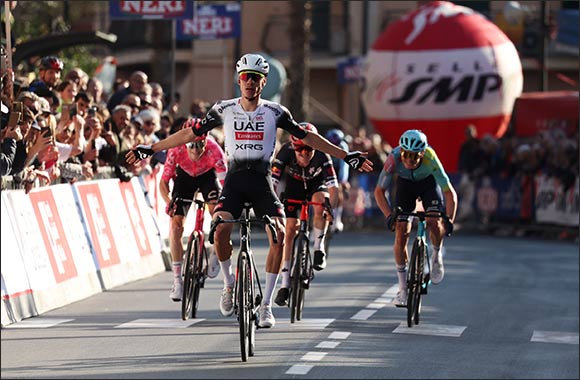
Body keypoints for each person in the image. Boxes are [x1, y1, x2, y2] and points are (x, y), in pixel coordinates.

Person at [126, 53, 372, 329]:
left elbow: (306, 136)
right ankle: (229, 285)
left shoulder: (276, 112)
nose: (250, 83)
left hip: (262, 181)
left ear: (263, 82)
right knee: (219, 229)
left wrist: (345, 154)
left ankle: (266, 305)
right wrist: (152, 148)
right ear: (239, 81)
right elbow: (191, 134)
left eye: (255, 78)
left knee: (278, 235)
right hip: (234, 181)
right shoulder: (224, 108)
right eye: (245, 78)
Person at [373, 129, 456, 307]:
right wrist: (389, 216)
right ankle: (402, 289)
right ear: (401, 152)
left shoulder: (431, 158)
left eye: (414, 157)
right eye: (406, 155)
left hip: (428, 185)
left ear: (422, 154)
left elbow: (450, 193)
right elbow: (379, 191)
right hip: (405, 187)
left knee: (434, 221)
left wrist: (449, 220)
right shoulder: (393, 158)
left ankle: (436, 254)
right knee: (401, 231)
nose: (409, 161)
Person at [271, 122, 338, 306]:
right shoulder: (285, 152)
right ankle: (284, 285)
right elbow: (273, 183)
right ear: (293, 147)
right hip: (293, 187)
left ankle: (319, 247)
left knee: (321, 205)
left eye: (309, 150)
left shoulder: (323, 154)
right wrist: (272, 207)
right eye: (300, 150)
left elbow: (334, 188)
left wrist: (332, 210)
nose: (305, 154)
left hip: (316, 185)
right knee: (289, 230)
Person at [159, 120, 227, 302]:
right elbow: (163, 182)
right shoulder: (175, 149)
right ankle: (177, 280)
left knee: (220, 218)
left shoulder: (215, 150)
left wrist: (223, 210)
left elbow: (225, 186)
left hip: (207, 178)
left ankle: (215, 252)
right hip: (185, 179)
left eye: (200, 144)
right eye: (191, 145)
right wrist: (168, 202)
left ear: (206, 140)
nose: (196, 150)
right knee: (175, 226)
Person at [325, 128, 350, 232]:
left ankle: (337, 219)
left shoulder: (344, 146)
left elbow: (344, 166)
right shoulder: (324, 146)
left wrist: (343, 180)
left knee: (338, 189)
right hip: (325, 168)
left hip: (337, 169)